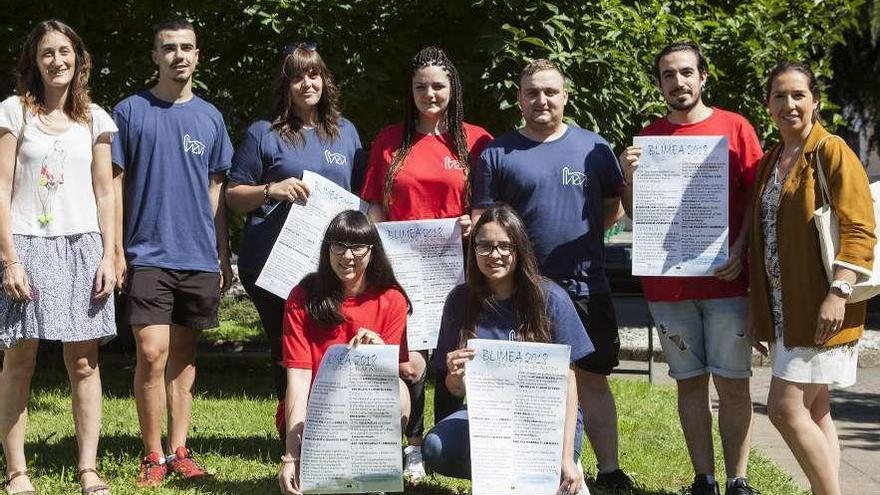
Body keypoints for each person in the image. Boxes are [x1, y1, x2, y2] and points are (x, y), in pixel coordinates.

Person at [472, 59, 633, 491]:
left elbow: (610, 208)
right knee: (527, 383)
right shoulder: (496, 153)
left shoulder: (594, 148)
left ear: (564, 95)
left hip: (586, 285)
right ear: (520, 98)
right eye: (532, 92)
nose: (541, 100)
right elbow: (485, 221)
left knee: (593, 378)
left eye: (550, 92)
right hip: (523, 290)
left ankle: (610, 471)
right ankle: (529, 468)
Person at [618, 41, 763, 495]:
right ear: (659, 83)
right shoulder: (650, 137)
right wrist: (628, 174)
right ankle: (704, 479)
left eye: (686, 72)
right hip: (668, 287)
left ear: (703, 77)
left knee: (734, 385)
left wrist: (740, 249)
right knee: (688, 384)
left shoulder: (736, 128)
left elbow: (758, 203)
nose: (677, 82)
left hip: (726, 283)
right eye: (667, 75)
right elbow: (634, 212)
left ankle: (738, 479)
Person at [110, 17, 233, 487]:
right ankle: (152, 455)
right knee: (151, 350)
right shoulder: (129, 112)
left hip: (198, 256)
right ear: (155, 56)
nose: (178, 55)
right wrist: (115, 249)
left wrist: (222, 252)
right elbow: (114, 187)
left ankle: (180, 449)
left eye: (187, 47)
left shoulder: (211, 117)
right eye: (169, 48)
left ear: (197, 55)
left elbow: (215, 194)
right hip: (146, 253)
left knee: (184, 353)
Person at [359, 45, 492, 479]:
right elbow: (373, 206)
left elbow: (487, 206)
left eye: (438, 85)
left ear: (452, 88)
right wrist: (375, 249)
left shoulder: (477, 139)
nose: (430, 94)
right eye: (421, 87)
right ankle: (413, 446)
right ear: (410, 91)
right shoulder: (388, 140)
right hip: (403, 270)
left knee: (456, 355)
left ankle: (444, 439)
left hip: (460, 269)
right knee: (412, 361)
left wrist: (476, 222)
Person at [0, 19, 117, 495]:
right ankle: (17, 472)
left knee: (85, 363)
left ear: (78, 58)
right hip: (26, 245)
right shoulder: (13, 113)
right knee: (18, 360)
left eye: (64, 52)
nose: (57, 61)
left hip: (82, 247)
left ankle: (88, 469)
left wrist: (110, 255)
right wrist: (9, 259)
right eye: (47, 53)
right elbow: (2, 189)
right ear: (34, 61)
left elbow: (105, 193)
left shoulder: (96, 119)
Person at [749, 62, 875, 495]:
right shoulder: (772, 161)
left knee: (784, 409)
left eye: (798, 95)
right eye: (780, 96)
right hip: (786, 310)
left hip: (820, 307)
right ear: (768, 105)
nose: (790, 104)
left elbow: (859, 226)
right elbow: (764, 235)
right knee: (817, 410)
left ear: (815, 101)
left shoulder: (831, 149)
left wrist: (839, 291)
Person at [226, 42, 364, 438]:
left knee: (333, 345)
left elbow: (359, 200)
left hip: (334, 265)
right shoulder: (263, 133)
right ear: (285, 84)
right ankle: (294, 435)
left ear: (325, 79)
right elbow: (234, 196)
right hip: (274, 265)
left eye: (314, 74)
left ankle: (331, 432)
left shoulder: (346, 133)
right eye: (298, 76)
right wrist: (272, 189)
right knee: (288, 354)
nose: (308, 83)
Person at [422, 204, 593, 495]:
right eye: (485, 246)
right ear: (473, 249)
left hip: (545, 419)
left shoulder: (550, 297)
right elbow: (455, 390)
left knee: (550, 477)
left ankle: (555, 473)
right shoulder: (459, 300)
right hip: (489, 417)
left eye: (504, 246)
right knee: (436, 447)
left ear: (519, 249)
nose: (494, 255)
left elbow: (569, 383)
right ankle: (498, 477)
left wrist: (565, 457)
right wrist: (454, 376)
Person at [276, 210, 411, 495]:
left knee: (399, 390)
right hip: (314, 413)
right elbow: (298, 377)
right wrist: (292, 455)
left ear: (373, 251)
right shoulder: (302, 297)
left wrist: (378, 355)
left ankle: (375, 472)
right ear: (327, 249)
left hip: (365, 412)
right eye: (338, 245)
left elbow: (386, 384)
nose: (347, 256)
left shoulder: (392, 300)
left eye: (358, 247)